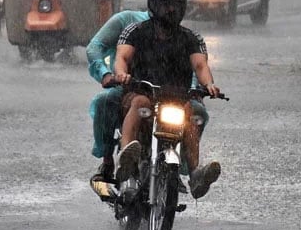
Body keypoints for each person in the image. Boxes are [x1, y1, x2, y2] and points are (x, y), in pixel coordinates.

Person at [113, 0, 221, 199]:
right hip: (141, 94)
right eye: (165, 5)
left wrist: (208, 84)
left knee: (191, 115)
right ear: (153, 6)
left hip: (175, 100)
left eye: (176, 6)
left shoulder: (191, 38)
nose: (171, 11)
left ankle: (194, 174)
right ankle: (127, 159)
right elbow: (121, 58)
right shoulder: (136, 31)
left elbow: (200, 65)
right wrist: (122, 73)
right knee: (141, 104)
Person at [86, 10, 210, 186]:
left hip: (171, 94)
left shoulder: (183, 34)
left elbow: (195, 66)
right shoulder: (130, 26)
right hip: (134, 88)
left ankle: (189, 170)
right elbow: (95, 47)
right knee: (105, 102)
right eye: (165, 5)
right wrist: (106, 74)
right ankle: (108, 162)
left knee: (197, 112)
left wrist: (197, 89)